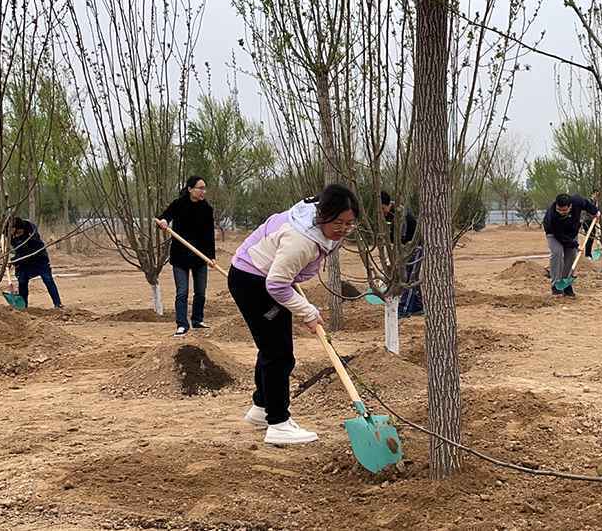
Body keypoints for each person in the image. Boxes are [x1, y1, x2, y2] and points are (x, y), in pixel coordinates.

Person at [228, 184, 359, 445]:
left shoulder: (315, 224)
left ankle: (262, 408)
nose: (343, 229)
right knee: (278, 353)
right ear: (323, 214)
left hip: (260, 275)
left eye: (350, 223)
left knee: (271, 347)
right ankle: (278, 423)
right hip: (254, 282)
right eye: (338, 222)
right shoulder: (301, 242)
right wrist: (307, 311)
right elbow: (276, 284)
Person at [156, 176, 216, 337]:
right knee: (182, 292)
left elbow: (210, 235)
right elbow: (164, 217)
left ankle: (197, 320)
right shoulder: (178, 204)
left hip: (200, 257)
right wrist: (163, 222)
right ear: (190, 189)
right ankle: (182, 325)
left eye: (204, 188)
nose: (203, 191)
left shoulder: (207, 209)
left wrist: (211, 256)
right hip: (180, 256)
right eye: (200, 188)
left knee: (201, 292)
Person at [543, 193, 600, 298]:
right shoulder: (552, 215)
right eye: (559, 210)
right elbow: (560, 236)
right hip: (554, 233)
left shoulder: (577, 201)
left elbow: (586, 204)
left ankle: (566, 284)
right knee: (557, 253)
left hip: (571, 232)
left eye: (564, 210)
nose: (561, 213)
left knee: (571, 256)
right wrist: (575, 244)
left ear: (570, 206)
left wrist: (595, 212)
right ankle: (556, 285)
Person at [380, 191, 423, 317]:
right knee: (408, 277)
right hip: (405, 249)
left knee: (409, 279)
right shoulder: (389, 215)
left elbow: (401, 238)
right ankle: (417, 307)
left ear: (388, 204)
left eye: (383, 208)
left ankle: (404, 309)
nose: (382, 212)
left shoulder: (400, 214)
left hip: (414, 247)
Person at [9, 217, 63, 308]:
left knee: (48, 279)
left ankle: (57, 304)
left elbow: (27, 252)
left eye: (18, 233)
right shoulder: (11, 234)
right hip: (23, 262)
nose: (16, 235)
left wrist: (14, 260)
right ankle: (23, 306)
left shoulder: (32, 234)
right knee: (22, 281)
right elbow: (16, 250)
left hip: (39, 259)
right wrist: (12, 259)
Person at [583, 188, 600, 260]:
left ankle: (589, 253)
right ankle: (587, 254)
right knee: (589, 237)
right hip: (587, 221)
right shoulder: (589, 201)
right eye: (596, 194)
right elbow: (588, 211)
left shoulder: (595, 202)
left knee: (592, 237)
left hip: (592, 221)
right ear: (593, 193)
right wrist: (594, 215)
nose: (597, 196)